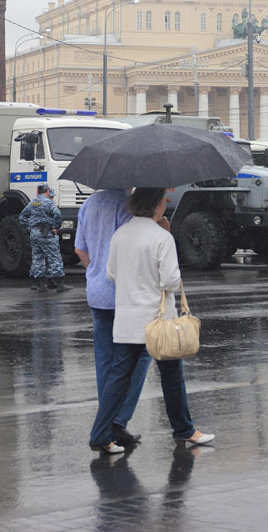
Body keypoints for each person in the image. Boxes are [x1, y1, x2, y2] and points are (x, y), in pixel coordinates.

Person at [89, 187, 213, 455]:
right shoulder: (161, 237)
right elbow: (170, 281)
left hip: (126, 321)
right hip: (157, 323)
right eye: (163, 201)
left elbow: (111, 274)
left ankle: (100, 434)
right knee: (171, 377)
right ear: (157, 205)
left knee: (118, 379)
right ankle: (184, 430)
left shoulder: (120, 235)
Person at [75, 188, 152, 447]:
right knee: (139, 353)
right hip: (122, 293)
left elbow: (80, 250)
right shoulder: (125, 205)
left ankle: (106, 424)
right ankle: (118, 420)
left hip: (96, 292)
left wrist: (96, 271)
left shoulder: (88, 204)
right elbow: (134, 249)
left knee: (104, 361)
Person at [19, 183, 73, 292]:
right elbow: (57, 215)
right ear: (47, 191)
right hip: (46, 233)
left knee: (37, 258)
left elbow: (22, 217)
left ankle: (40, 285)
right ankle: (60, 284)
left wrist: (30, 227)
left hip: (34, 233)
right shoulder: (49, 203)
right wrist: (55, 227)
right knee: (55, 257)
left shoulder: (33, 203)